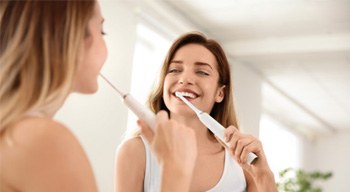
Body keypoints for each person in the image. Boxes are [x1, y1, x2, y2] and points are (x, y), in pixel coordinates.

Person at [0, 1, 197, 191]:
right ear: (69, 38)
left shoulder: (18, 132)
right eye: (102, 31)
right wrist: (177, 171)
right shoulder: (44, 140)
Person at [115, 32, 277, 192]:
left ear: (220, 93)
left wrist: (263, 175)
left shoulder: (242, 163)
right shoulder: (135, 152)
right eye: (174, 70)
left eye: (202, 72)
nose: (185, 79)